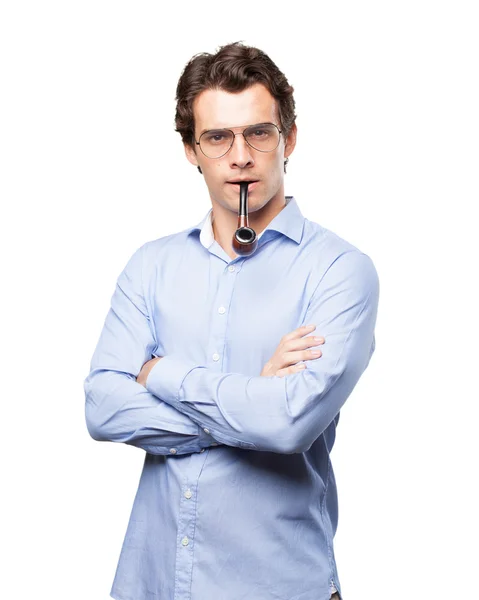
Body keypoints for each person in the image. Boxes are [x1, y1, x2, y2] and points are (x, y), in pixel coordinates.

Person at [84, 40, 380, 600]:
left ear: (288, 139)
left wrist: (161, 375)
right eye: (218, 137)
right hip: (153, 585)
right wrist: (251, 402)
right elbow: (102, 406)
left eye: (258, 134)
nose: (239, 156)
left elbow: (288, 426)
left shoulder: (340, 271)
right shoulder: (151, 265)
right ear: (192, 151)